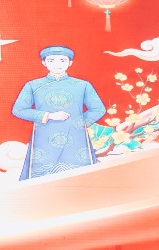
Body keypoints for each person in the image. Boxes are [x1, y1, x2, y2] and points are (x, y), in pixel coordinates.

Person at [12, 45, 106, 180]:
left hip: (76, 137)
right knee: (42, 176)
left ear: (70, 63)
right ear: (44, 63)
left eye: (62, 60)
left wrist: (79, 123)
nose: (57, 65)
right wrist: (48, 115)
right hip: (44, 135)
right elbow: (18, 110)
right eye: (51, 60)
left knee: (81, 176)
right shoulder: (33, 85)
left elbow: (98, 109)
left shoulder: (82, 85)